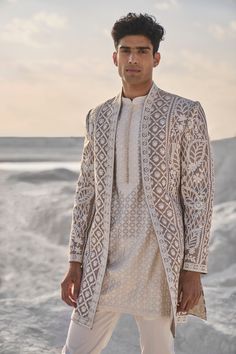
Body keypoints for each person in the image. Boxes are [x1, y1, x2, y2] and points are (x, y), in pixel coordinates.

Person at [60, 13, 215, 354]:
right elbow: (85, 192)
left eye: (142, 51)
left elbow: (198, 196)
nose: (133, 59)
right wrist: (75, 260)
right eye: (125, 50)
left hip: (158, 263)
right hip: (103, 260)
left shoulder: (185, 113)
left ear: (156, 58)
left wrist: (193, 269)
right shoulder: (97, 116)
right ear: (114, 57)